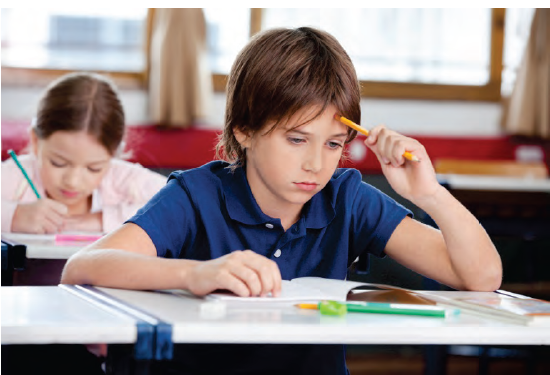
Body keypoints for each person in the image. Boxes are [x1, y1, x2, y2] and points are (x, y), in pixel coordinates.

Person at [61, 27, 502, 375]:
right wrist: (195, 274)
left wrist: (429, 194)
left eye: (333, 144)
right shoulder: (197, 194)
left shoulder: (347, 198)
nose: (316, 163)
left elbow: (480, 278)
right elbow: (81, 269)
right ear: (245, 130)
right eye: (296, 139)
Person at [2, 72, 167, 234]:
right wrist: (14, 216)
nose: (72, 182)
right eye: (58, 163)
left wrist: (102, 220)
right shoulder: (15, 176)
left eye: (93, 168)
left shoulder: (123, 179)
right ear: (36, 142)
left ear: (113, 155)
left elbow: (182, 205)